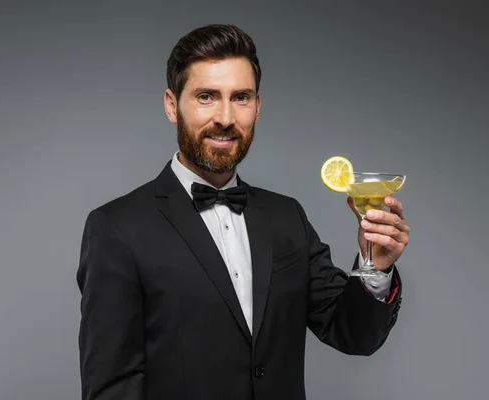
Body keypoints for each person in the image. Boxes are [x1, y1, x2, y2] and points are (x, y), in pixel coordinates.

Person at [76, 24, 409, 400]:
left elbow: (354, 333)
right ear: (172, 105)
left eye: (241, 97)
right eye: (206, 96)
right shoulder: (117, 228)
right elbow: (111, 389)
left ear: (258, 106)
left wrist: (374, 264)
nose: (225, 117)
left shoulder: (287, 217)